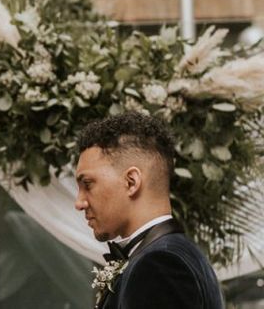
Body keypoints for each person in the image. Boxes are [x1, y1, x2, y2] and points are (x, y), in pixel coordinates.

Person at [75, 112, 223, 309]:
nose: (79, 202)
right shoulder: (171, 254)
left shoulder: (160, 265)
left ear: (131, 182)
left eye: (88, 184)